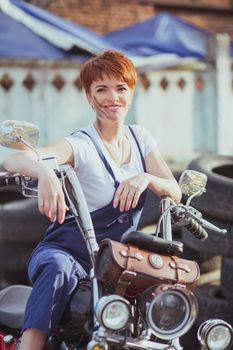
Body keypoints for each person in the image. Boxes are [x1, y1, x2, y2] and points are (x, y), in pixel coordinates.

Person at [3, 49, 182, 350]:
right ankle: (28, 345)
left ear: (131, 92)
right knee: (57, 270)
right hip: (67, 254)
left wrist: (146, 178)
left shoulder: (141, 138)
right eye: (101, 89)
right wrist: (45, 174)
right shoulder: (81, 145)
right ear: (89, 97)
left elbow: (174, 190)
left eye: (120, 88)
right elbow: (15, 159)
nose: (113, 97)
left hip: (117, 262)